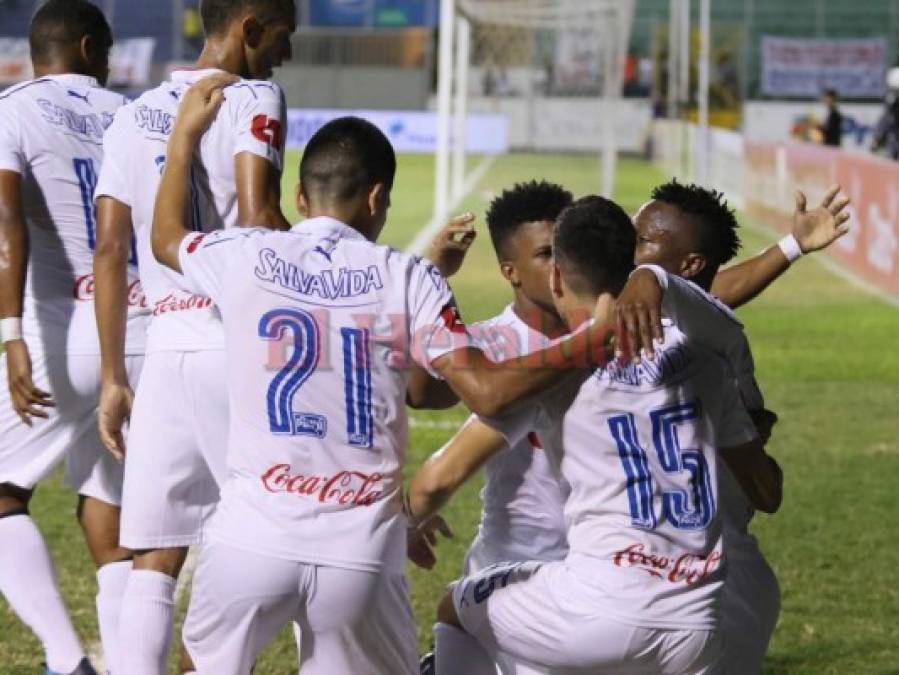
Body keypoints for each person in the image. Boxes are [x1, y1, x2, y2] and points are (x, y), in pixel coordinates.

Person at [149, 77, 617, 674]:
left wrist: (185, 136)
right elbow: (482, 391)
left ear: (299, 197)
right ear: (377, 200)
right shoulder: (407, 278)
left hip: (252, 534)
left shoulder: (245, 253)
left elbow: (166, 238)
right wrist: (588, 340)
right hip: (359, 545)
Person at [418, 179, 851, 674]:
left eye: (646, 248)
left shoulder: (551, 370)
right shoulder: (710, 358)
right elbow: (766, 487)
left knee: (458, 606)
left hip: (613, 594)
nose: (637, 258)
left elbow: (449, 457)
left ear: (560, 273)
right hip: (691, 608)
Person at [92, 1, 295, 672]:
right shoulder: (254, 95)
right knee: (290, 528)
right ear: (251, 28)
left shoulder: (132, 113)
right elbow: (260, 213)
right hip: (234, 341)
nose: (284, 55)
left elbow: (110, 249)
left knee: (155, 552)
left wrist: (117, 375)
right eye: (282, 38)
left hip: (165, 352)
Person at [0, 2, 141, 673]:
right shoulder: (134, 115)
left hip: (66, 331)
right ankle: (122, 659)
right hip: (145, 328)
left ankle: (66, 659)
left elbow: (6, 217)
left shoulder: (14, 107)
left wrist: (10, 334)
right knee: (109, 511)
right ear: (89, 47)